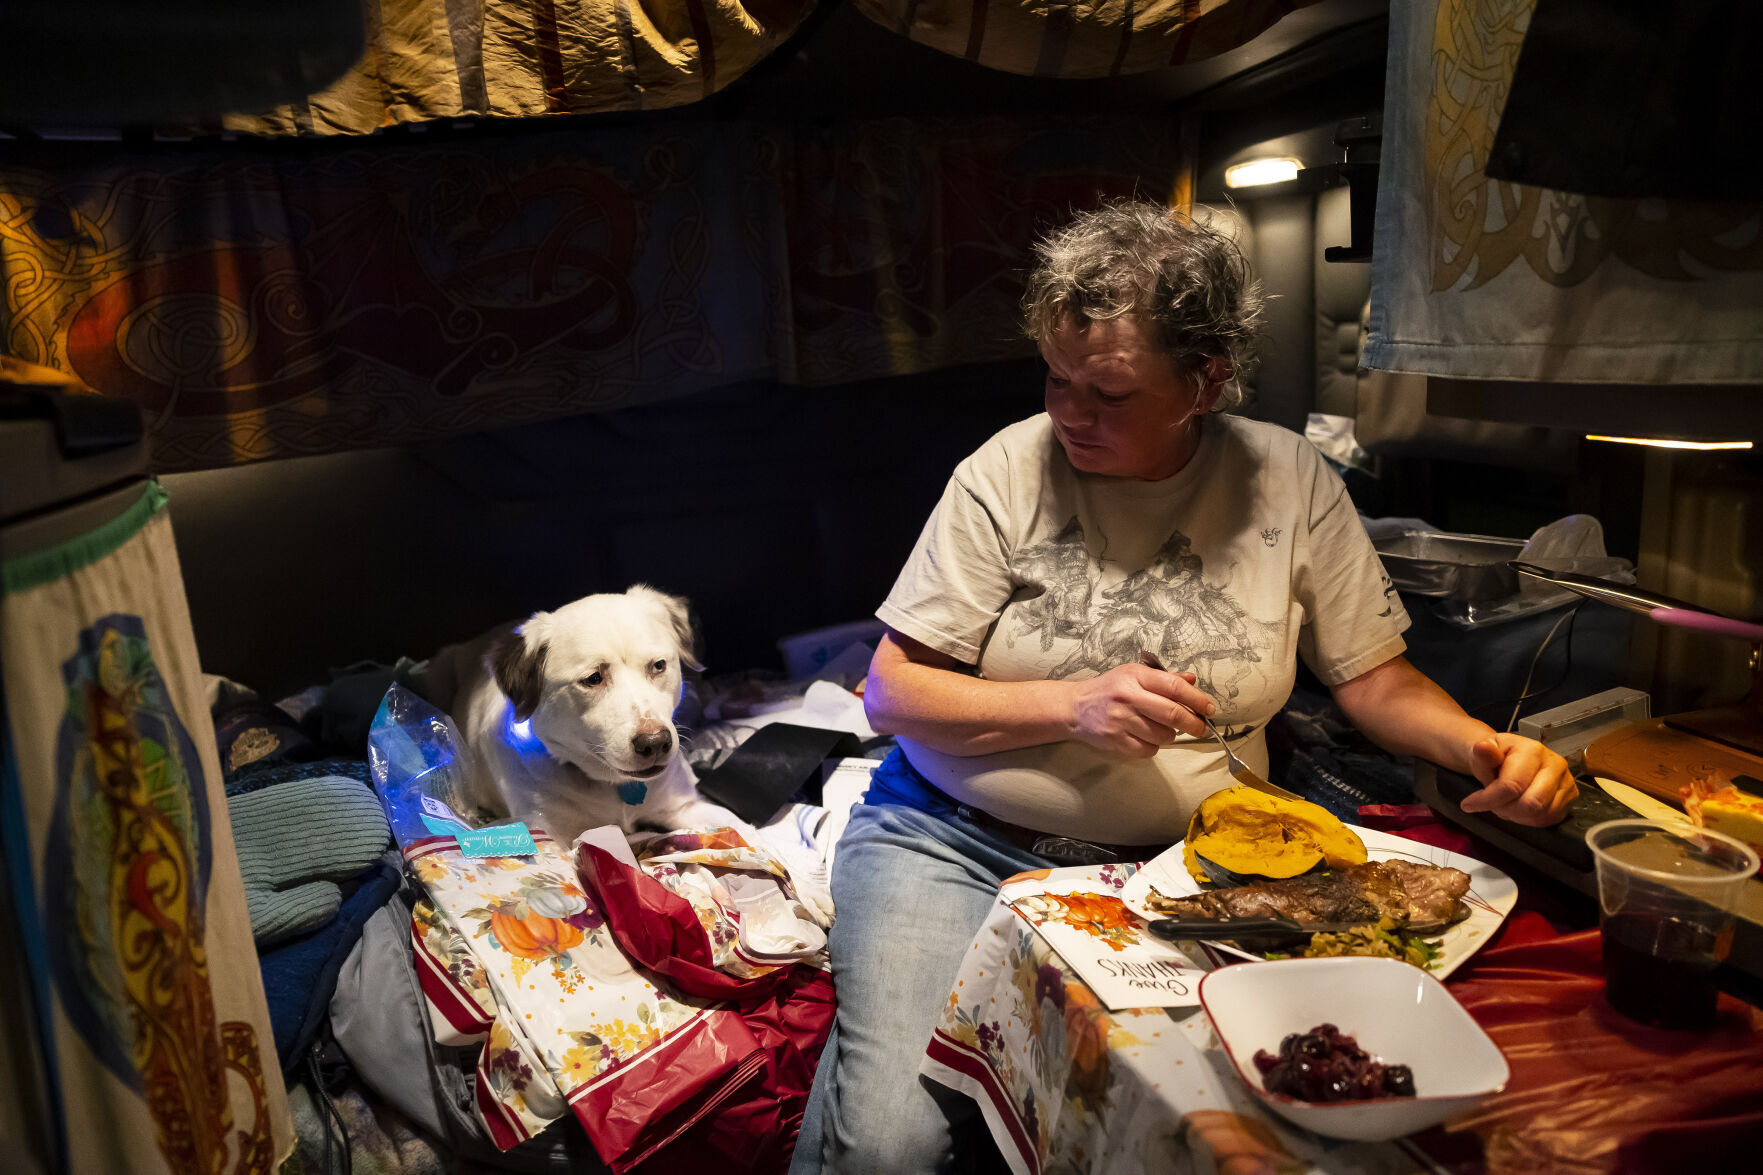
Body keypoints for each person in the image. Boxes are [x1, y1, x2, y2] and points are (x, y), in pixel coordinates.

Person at [789, 199, 1575, 1174]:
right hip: (952, 836)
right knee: (891, 1146)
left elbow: (1373, 682)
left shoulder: (1288, 479)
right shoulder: (1002, 470)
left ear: (1203, 382)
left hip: (1189, 869)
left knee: (1246, 1129)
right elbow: (891, 695)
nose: (1066, 411)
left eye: (1107, 391)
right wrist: (1070, 701)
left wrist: (1477, 746)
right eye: (1054, 376)